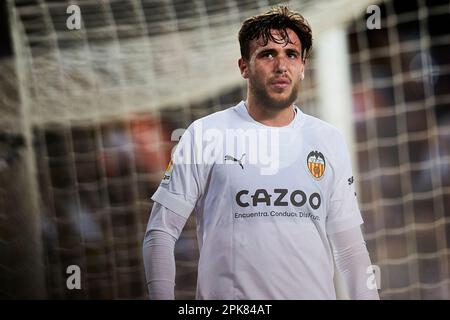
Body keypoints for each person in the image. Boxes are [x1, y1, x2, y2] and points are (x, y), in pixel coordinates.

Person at [143, 6, 380, 300]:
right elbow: (160, 234)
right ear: (244, 66)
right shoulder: (205, 134)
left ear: (303, 66)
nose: (281, 65)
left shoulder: (328, 139)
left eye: (291, 54)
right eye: (268, 54)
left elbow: (350, 249)